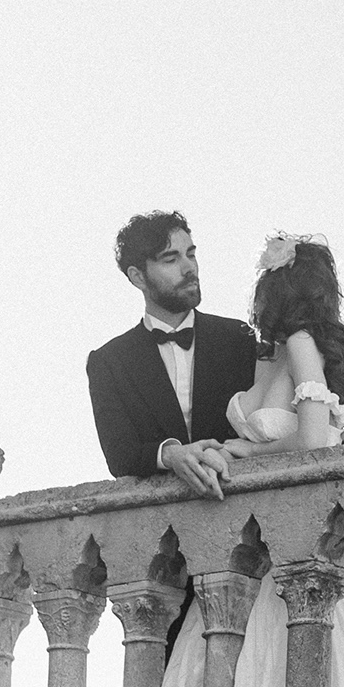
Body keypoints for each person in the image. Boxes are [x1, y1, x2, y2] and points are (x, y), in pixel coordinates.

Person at [154, 232, 344, 687]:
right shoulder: (270, 355)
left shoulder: (302, 345)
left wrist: (244, 449)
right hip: (248, 562)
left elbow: (315, 442)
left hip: (291, 563)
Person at [86, 212, 260, 500]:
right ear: (138, 276)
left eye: (191, 254)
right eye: (171, 259)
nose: (189, 268)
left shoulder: (240, 337)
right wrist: (171, 454)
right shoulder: (109, 361)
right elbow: (119, 455)